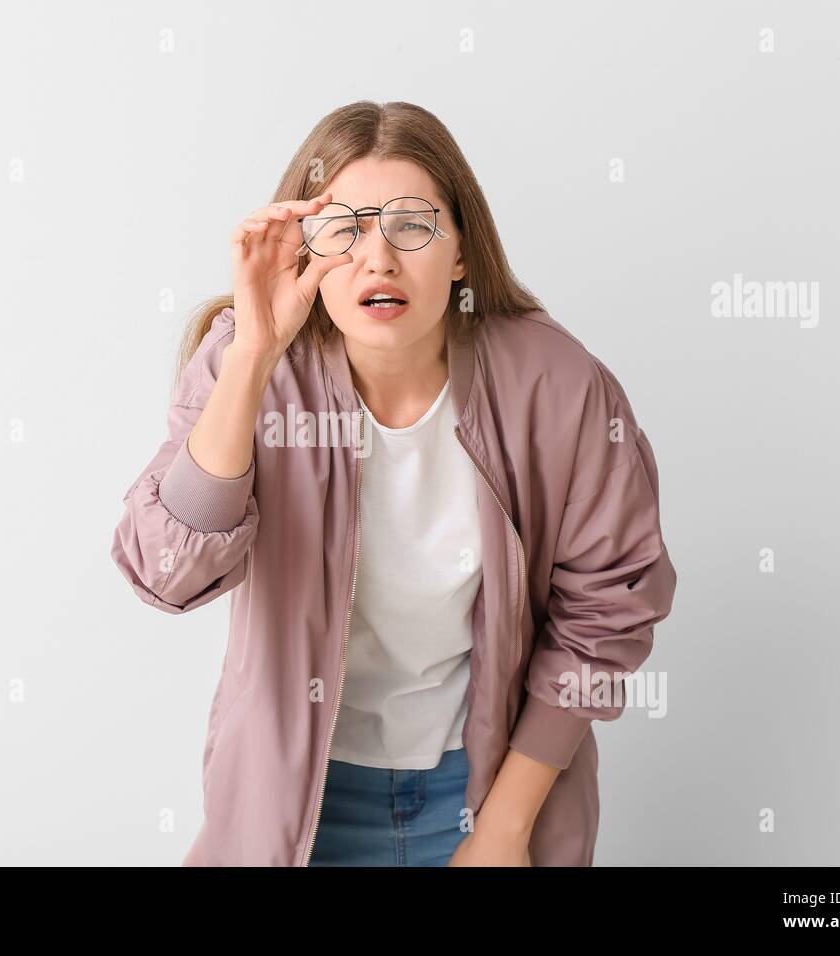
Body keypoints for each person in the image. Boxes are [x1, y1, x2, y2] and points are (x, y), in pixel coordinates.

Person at [111, 100, 678, 866]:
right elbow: (165, 572)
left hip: (486, 791)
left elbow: (608, 609)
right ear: (304, 253)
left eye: (412, 224)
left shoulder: (559, 386)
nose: (378, 258)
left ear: (462, 252)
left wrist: (507, 827)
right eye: (343, 229)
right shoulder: (251, 367)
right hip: (295, 807)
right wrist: (251, 355)